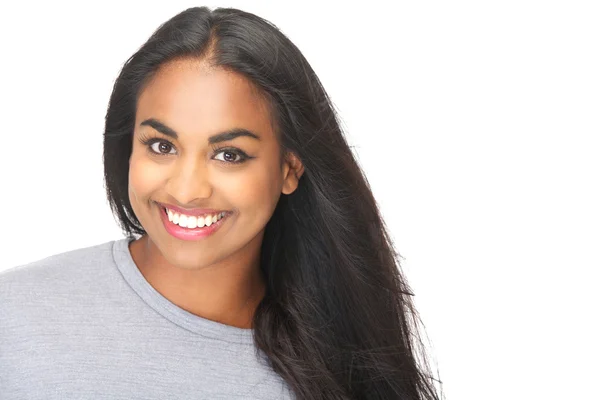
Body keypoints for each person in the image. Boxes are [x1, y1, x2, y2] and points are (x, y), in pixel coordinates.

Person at [0, 6, 441, 399]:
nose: (188, 189)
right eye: (161, 146)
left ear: (289, 168)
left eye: (228, 154)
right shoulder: (14, 318)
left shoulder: (342, 362)